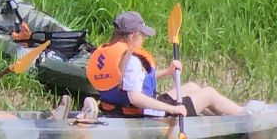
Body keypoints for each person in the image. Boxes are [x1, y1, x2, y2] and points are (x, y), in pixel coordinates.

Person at [86, 11, 244, 118]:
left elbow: (132, 82)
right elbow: (135, 97)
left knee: (193, 87)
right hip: (142, 113)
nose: (144, 39)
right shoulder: (131, 60)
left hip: (119, 108)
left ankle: (221, 119)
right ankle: (247, 117)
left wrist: (168, 71)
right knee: (209, 93)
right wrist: (172, 109)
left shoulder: (109, 54)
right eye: (142, 35)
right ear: (132, 35)